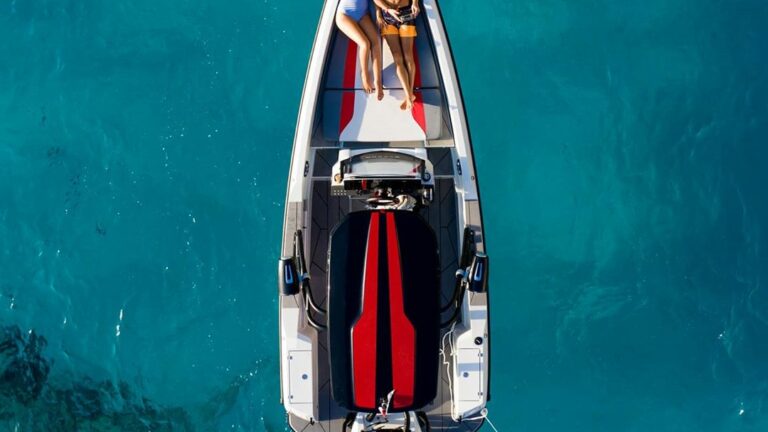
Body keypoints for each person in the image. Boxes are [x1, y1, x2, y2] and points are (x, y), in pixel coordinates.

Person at [374, 0, 420, 110]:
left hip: (405, 13)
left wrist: (415, 3)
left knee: (408, 55)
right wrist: (378, 14)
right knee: (397, 57)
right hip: (387, 16)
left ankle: (409, 94)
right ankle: (409, 95)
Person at [336, 0, 384, 100]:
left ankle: (378, 81)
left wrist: (378, 14)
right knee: (365, 44)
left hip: (363, 15)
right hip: (345, 15)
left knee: (376, 43)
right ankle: (364, 75)